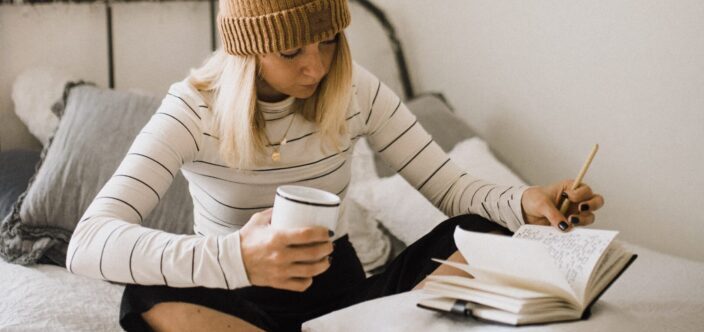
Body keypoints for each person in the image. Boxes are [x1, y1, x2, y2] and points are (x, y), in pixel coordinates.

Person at [66, 0, 604, 331]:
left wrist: (522, 201)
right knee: (143, 297)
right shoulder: (192, 110)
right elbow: (87, 243)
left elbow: (453, 187)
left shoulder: (354, 89)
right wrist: (235, 258)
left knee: (481, 231)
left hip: (348, 305)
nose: (316, 66)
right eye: (292, 51)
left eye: (327, 41)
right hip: (233, 305)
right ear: (249, 52)